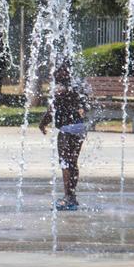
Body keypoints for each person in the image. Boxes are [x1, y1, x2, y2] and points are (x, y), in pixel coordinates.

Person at [38, 63, 87, 210]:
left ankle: (68, 198)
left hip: (67, 129)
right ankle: (72, 197)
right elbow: (85, 105)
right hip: (80, 128)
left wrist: (42, 124)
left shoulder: (60, 90)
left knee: (65, 163)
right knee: (73, 162)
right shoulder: (77, 87)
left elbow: (51, 110)